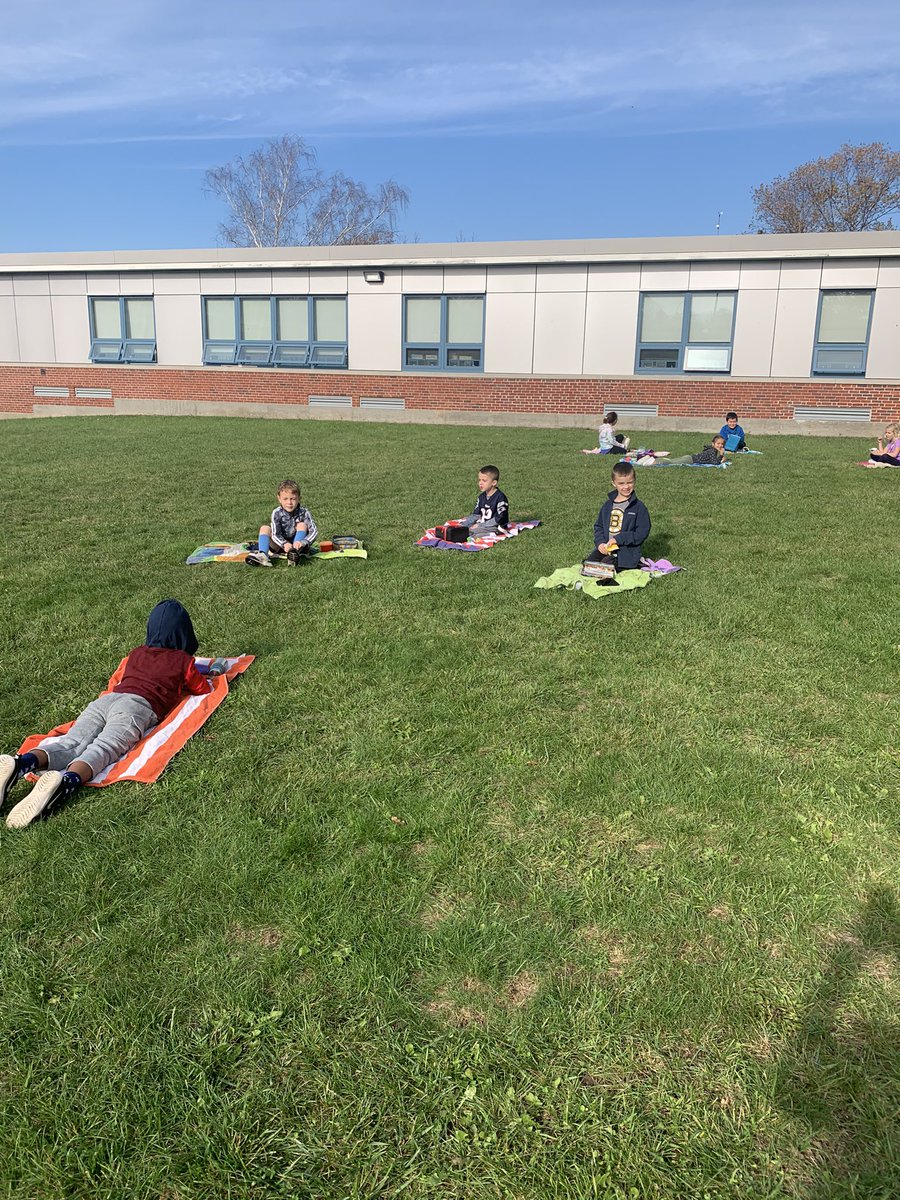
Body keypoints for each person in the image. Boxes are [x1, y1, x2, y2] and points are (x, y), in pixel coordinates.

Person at [0, 600, 216, 829]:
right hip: (137, 708)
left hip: (106, 701)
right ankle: (66, 782)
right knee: (103, 748)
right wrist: (208, 672)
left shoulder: (137, 653)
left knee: (72, 742)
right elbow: (201, 688)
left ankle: (23, 762)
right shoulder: (183, 661)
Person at [585, 460, 651, 573]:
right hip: (607, 548)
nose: (626, 487)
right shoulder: (607, 505)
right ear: (614, 483)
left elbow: (641, 533)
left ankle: (636, 562)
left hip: (626, 551)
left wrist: (619, 539)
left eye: (629, 482)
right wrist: (600, 543)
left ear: (634, 481)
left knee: (606, 566)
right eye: (621, 483)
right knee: (588, 565)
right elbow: (598, 526)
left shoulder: (639, 507)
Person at [252, 479, 319, 567]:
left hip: (299, 546)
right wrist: (284, 544)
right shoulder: (276, 513)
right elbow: (275, 534)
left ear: (299, 498)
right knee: (265, 528)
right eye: (285, 499)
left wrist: (304, 542)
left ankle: (294, 554)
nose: (289, 502)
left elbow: (314, 531)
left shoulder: (304, 512)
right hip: (279, 545)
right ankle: (263, 556)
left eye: (293, 499)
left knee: (302, 525)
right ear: (279, 499)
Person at [459, 465, 511, 536]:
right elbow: (476, 515)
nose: (480, 483)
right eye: (479, 480)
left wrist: (481, 525)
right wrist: (464, 525)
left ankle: (496, 533)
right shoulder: (481, 497)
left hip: (495, 526)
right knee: (461, 529)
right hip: (483, 523)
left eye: (484, 480)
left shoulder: (500, 497)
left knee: (470, 533)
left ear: (494, 483)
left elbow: (500, 518)